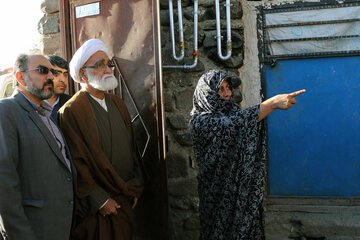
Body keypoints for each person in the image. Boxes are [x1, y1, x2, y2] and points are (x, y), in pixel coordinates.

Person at [189, 69, 306, 240]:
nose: (227, 93)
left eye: (228, 87)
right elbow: (233, 124)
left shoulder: (234, 111)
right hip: (216, 190)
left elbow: (241, 122)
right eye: (220, 89)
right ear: (206, 93)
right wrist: (272, 103)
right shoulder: (199, 121)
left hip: (242, 188)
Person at [57, 39, 143, 240]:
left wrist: (135, 186)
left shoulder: (117, 103)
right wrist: (100, 200)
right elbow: (75, 162)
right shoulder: (71, 111)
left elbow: (132, 150)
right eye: (99, 65)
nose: (107, 69)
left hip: (125, 197)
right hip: (99, 208)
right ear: (82, 74)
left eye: (107, 64)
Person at [0, 54, 76, 240]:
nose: (50, 76)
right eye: (42, 71)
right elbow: (5, 186)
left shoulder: (46, 114)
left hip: (61, 227)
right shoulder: (6, 111)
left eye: (52, 71)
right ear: (20, 77)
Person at [46, 55, 71, 123]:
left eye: (65, 75)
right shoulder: (33, 103)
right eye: (56, 74)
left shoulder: (72, 104)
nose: (63, 80)